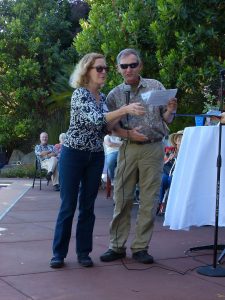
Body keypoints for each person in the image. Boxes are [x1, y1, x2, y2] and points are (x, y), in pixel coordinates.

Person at [50, 52, 145, 269]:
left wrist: (128, 130)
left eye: (105, 69)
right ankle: (58, 254)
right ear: (87, 71)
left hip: (95, 156)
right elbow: (94, 120)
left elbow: (106, 128)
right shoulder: (79, 95)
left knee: (87, 206)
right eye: (99, 68)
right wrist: (124, 109)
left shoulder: (102, 98)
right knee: (68, 206)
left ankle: (84, 253)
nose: (103, 72)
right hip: (73, 155)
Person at [100, 48, 177, 264]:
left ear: (140, 65)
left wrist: (171, 109)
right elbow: (109, 127)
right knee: (122, 197)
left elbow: (167, 119)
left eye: (133, 64)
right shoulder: (115, 94)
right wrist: (128, 132)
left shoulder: (155, 86)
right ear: (118, 69)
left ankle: (141, 247)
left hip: (153, 148)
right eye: (124, 66)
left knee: (149, 200)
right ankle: (116, 246)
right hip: (128, 147)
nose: (129, 69)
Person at [157, 130, 183, 215]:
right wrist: (169, 159)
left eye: (182, 138)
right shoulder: (170, 151)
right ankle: (159, 203)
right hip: (167, 172)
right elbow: (163, 163)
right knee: (161, 181)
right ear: (175, 141)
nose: (180, 140)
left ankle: (171, 206)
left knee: (172, 180)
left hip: (178, 175)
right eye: (178, 138)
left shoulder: (187, 152)